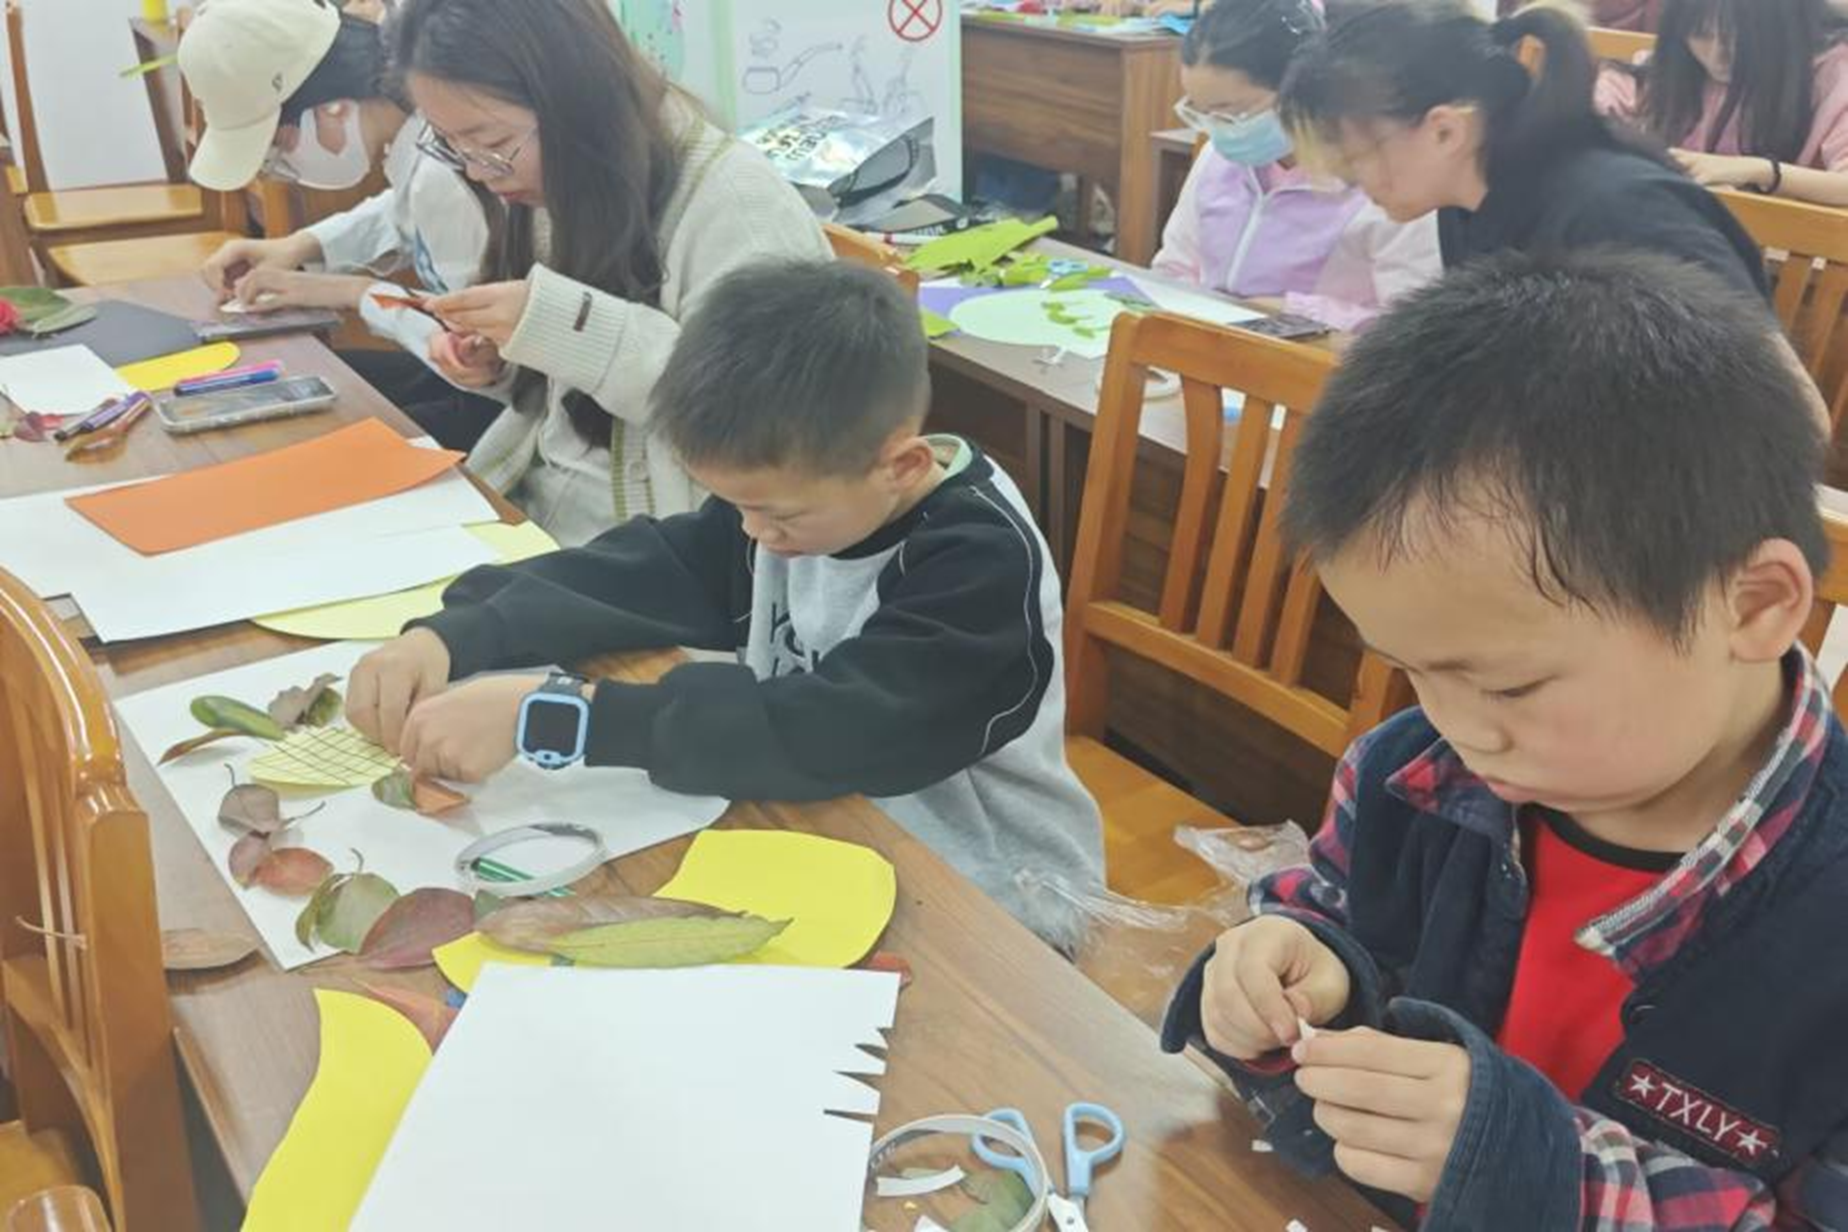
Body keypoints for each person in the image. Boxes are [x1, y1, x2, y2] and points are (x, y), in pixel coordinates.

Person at [1161, 248, 1848, 1230]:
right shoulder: (1409, 774)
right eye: (1413, 669)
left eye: (1509, 684)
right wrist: (1293, 972)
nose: (1458, 725)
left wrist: (1530, 1167)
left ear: (1754, 605)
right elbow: (1331, 920)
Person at [344, 261, 1107, 950]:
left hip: (998, 897)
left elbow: (840, 729)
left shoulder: (979, 560)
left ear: (901, 466)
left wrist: (556, 716)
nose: (751, 535)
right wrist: (454, 635)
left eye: (774, 514)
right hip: (833, 833)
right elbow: (646, 570)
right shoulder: (796, 507)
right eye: (736, 505)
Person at [380, 0, 828, 545]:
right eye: (452, 145)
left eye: (493, 144)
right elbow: (569, 407)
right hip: (545, 509)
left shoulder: (738, 206)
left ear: (577, 101)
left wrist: (561, 325)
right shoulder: (563, 183)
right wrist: (502, 360)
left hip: (669, 547)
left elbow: (759, 422)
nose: (477, 171)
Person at [1278, 0, 1768, 298]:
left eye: (1354, 160)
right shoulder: (1467, 208)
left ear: (1445, 131)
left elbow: (1781, 398)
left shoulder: (1618, 209)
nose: (1348, 181)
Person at [182, 0, 498, 450]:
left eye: (280, 145)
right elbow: (404, 212)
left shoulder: (445, 170)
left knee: (306, 440)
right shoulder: (417, 140)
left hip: (499, 403)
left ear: (332, 108)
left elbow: (472, 345)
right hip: (465, 378)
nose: (281, 169)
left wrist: (345, 292)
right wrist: (299, 245)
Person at [1153, 0, 1440, 331]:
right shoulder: (1218, 160)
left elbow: (1412, 329)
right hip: (1210, 348)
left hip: (1321, 356)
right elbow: (1173, 270)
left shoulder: (1385, 182)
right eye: (1200, 111)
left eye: (1232, 112)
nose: (1217, 129)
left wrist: (1298, 311)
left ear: (1302, 90)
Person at [1596, 0, 1848, 207]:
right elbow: (1596, 110)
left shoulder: (1831, 73)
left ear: (1780, 29)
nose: (1717, 56)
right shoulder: (1665, 70)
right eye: (1700, 34)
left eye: (1740, 39)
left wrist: (1760, 171)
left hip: (1776, 242)